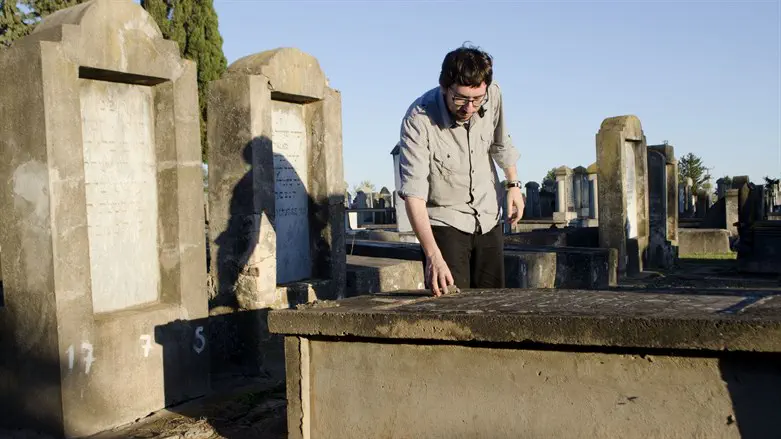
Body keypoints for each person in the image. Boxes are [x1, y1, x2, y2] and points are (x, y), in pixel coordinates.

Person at [397, 44, 524, 296]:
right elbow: (414, 195)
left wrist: (513, 185)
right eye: (461, 99)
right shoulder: (418, 120)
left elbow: (501, 143)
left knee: (494, 305)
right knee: (452, 308)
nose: (469, 108)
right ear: (444, 87)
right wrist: (433, 256)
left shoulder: (493, 95)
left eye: (477, 99)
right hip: (445, 223)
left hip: (488, 217)